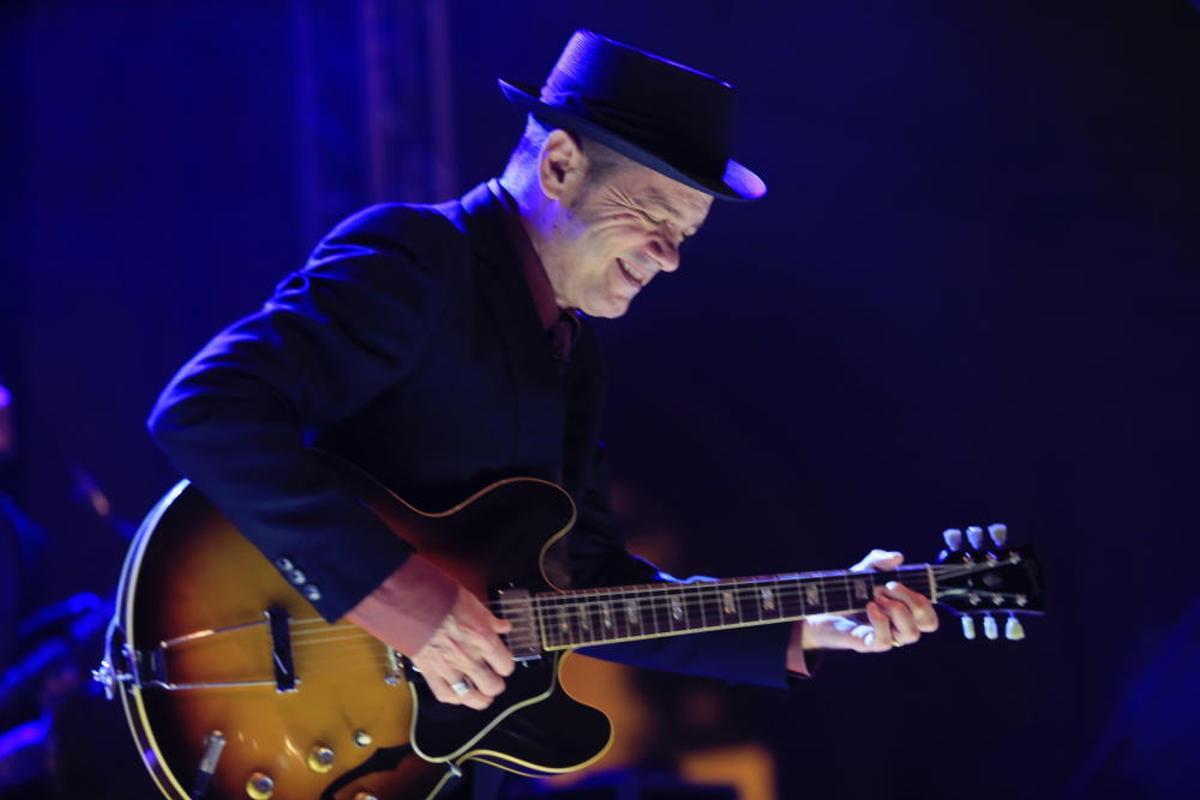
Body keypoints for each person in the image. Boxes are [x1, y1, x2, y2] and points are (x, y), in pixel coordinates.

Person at [148, 29, 937, 791]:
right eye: (655, 219)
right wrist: (397, 595)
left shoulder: (574, 353)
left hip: (435, 758)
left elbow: (586, 582)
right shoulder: (420, 258)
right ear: (560, 165)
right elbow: (206, 411)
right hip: (292, 690)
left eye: (685, 236)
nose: (669, 258)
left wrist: (807, 621)